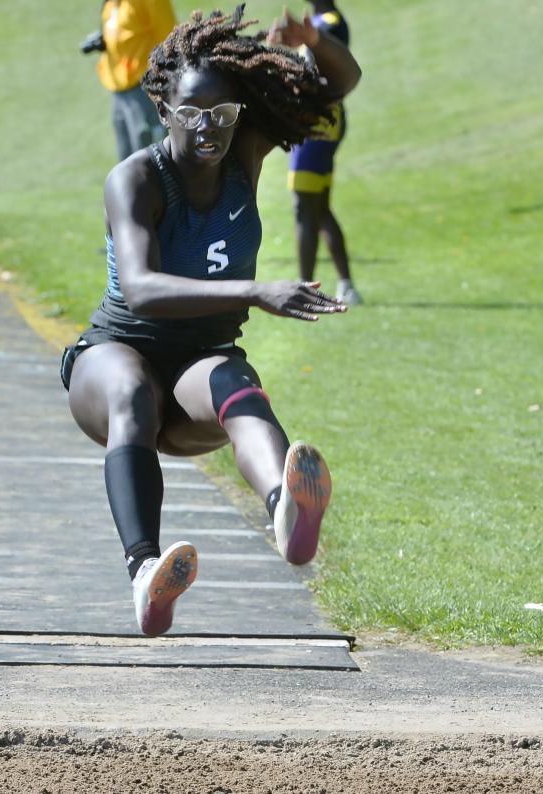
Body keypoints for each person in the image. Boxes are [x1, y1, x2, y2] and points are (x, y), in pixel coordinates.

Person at [61, 4, 361, 636]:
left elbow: (338, 84)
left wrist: (315, 41)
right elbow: (140, 290)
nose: (209, 130)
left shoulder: (243, 155)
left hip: (197, 365)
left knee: (234, 381)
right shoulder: (136, 178)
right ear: (163, 110)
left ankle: (285, 509)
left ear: (239, 115)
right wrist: (254, 290)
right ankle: (145, 575)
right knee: (131, 388)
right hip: (116, 354)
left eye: (222, 115)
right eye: (193, 115)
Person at [287, 1, 362, 305]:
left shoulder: (327, 23)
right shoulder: (323, 20)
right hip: (324, 123)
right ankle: (347, 285)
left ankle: (305, 288)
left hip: (317, 125)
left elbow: (317, 72)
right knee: (319, 208)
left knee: (304, 208)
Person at [87, 0, 177, 161]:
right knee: (127, 158)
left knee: (150, 157)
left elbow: (169, 39)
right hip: (119, 92)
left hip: (144, 89)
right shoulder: (111, 4)